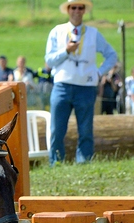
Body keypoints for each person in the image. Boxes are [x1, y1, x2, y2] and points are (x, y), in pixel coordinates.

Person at [45, 0, 118, 164]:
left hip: (86, 87)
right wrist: (66, 51)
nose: (77, 11)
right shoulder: (57, 31)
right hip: (62, 86)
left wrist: (99, 73)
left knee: (85, 130)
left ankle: (84, 162)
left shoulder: (93, 33)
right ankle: (56, 162)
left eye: (80, 7)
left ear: (84, 11)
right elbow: (49, 61)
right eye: (73, 7)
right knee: (56, 129)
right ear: (68, 10)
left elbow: (111, 55)